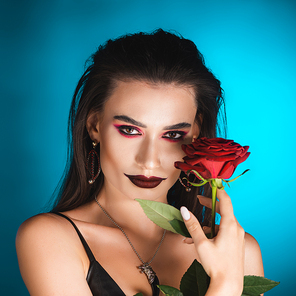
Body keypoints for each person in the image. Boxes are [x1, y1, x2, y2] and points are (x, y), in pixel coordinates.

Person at [16, 29, 264, 296]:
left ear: (195, 134)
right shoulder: (50, 238)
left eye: (172, 135)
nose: (149, 160)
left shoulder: (239, 251)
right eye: (130, 130)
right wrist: (225, 285)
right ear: (94, 126)